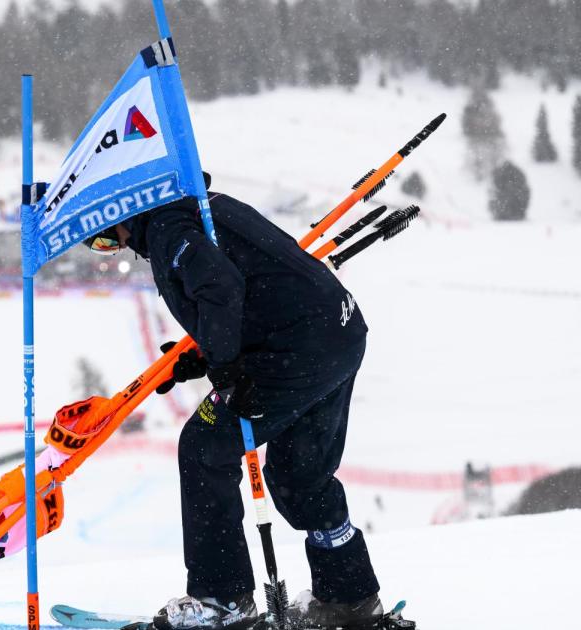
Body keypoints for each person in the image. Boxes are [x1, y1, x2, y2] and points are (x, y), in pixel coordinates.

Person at [83, 180, 381, 630]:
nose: (116, 248)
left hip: (293, 351)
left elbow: (220, 286)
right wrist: (205, 353)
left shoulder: (166, 226)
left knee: (204, 447)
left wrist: (223, 363)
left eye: (105, 238)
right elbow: (253, 283)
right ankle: (348, 598)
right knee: (302, 474)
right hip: (337, 333)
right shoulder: (197, 207)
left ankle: (221, 602)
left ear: (120, 213)